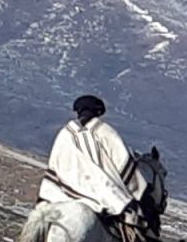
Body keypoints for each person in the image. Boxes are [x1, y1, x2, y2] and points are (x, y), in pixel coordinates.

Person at [38, 95, 149, 228]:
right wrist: (137, 193)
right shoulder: (105, 131)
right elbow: (124, 164)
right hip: (100, 194)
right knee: (134, 225)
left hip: (60, 192)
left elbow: (54, 164)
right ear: (98, 112)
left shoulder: (64, 134)